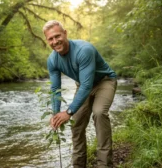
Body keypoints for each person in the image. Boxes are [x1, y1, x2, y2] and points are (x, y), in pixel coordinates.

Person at [43, 20, 117, 168]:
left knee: (99, 113)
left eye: (57, 36)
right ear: (47, 41)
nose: (55, 41)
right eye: (50, 39)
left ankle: (104, 164)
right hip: (83, 85)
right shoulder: (52, 60)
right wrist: (56, 114)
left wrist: (68, 112)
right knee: (76, 124)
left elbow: (87, 85)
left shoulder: (84, 49)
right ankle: (78, 165)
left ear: (65, 33)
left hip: (104, 81)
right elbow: (55, 89)